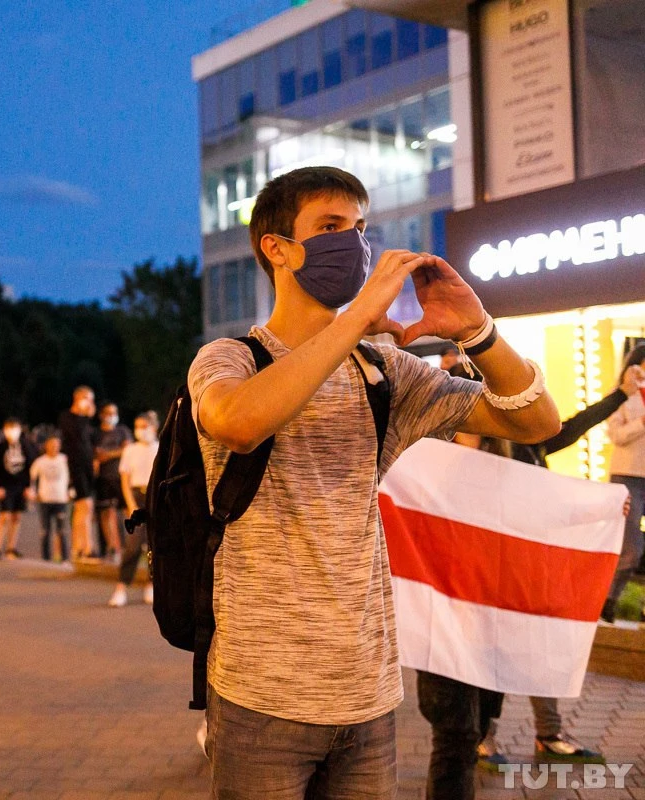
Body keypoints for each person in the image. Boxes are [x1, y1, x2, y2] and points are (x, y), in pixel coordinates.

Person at [189, 166, 560, 798]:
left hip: (368, 695)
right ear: (276, 248)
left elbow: (535, 421)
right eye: (330, 226)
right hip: (263, 694)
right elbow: (238, 422)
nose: (356, 246)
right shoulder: (231, 359)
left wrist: (479, 330)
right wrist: (357, 315)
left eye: (361, 228)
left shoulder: (386, 373)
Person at [467, 359, 645, 770]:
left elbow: (577, 426)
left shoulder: (531, 445)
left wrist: (620, 395)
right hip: (493, 572)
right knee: (494, 652)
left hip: (531, 567)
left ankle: (548, 733)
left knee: (537, 646)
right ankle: (483, 737)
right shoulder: (475, 451)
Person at [605, 343, 645, 623]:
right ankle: (608, 599)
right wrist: (641, 423)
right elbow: (616, 435)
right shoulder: (622, 396)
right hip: (628, 475)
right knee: (631, 548)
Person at [108, 411, 158, 607]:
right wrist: (130, 504)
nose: (140, 431)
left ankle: (151, 584)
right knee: (133, 546)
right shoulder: (130, 450)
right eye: (137, 426)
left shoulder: (161, 448)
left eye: (144, 426)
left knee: (154, 545)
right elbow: (125, 479)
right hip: (136, 495)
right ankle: (121, 587)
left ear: (153, 427)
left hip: (155, 495)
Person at [58, 387, 97, 561]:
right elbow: (74, 437)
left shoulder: (86, 421)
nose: (89, 403)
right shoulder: (68, 417)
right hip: (75, 466)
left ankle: (78, 546)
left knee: (83, 508)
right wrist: (84, 415)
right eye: (86, 398)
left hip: (87, 466)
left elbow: (89, 441)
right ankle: (88, 547)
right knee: (85, 505)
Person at [0, 417, 36, 560]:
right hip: (5, 485)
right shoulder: (1, 446)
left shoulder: (26, 445)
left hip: (21, 485)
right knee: (5, 515)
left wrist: (29, 486)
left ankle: (11, 547)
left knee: (16, 516)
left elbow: (31, 465)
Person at [93, 402, 130, 562]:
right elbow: (94, 453)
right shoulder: (96, 433)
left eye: (114, 412)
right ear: (101, 415)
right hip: (102, 478)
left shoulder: (122, 431)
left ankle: (129, 547)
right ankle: (112, 547)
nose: (111, 416)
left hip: (120, 477)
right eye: (108, 412)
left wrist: (109, 455)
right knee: (105, 512)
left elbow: (127, 449)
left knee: (125, 512)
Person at [30, 433, 70, 562]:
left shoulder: (64, 459)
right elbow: (32, 478)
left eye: (57, 445)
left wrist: (71, 492)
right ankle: (45, 557)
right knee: (45, 531)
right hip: (45, 500)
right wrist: (34, 493)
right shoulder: (40, 461)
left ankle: (64, 557)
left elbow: (72, 477)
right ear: (46, 446)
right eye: (52, 445)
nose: (54, 447)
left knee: (62, 531)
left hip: (61, 499)